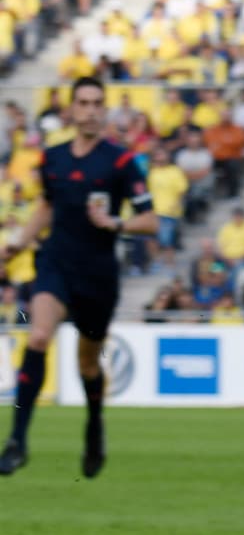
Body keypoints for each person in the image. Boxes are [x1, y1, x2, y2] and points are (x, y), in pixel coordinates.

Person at [0, 76, 157, 477]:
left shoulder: (122, 162)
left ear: (104, 109)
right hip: (55, 262)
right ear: (71, 110)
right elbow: (46, 208)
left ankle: (94, 425)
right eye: (83, 103)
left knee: (88, 364)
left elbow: (151, 220)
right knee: (37, 336)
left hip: (97, 272)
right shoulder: (52, 158)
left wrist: (116, 223)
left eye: (96, 103)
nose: (90, 110)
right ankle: (17, 439)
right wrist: (19, 242)